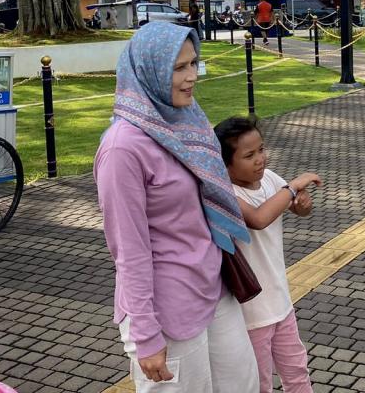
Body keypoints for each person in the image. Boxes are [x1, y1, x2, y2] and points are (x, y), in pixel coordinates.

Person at [95, 22, 258, 392]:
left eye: (193, 64)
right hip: (166, 308)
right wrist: (146, 335)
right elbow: (129, 251)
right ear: (149, 70)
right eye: (178, 67)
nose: (191, 77)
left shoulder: (184, 119)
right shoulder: (123, 149)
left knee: (244, 384)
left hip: (214, 286)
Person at [214, 115, 320, 393]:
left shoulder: (270, 179)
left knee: (297, 370)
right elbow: (259, 218)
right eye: (249, 155)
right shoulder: (226, 195)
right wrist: (293, 187)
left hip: (281, 301)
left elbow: (295, 206)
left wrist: (302, 204)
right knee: (260, 382)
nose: (260, 159)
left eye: (261, 149)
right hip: (251, 313)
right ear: (225, 163)